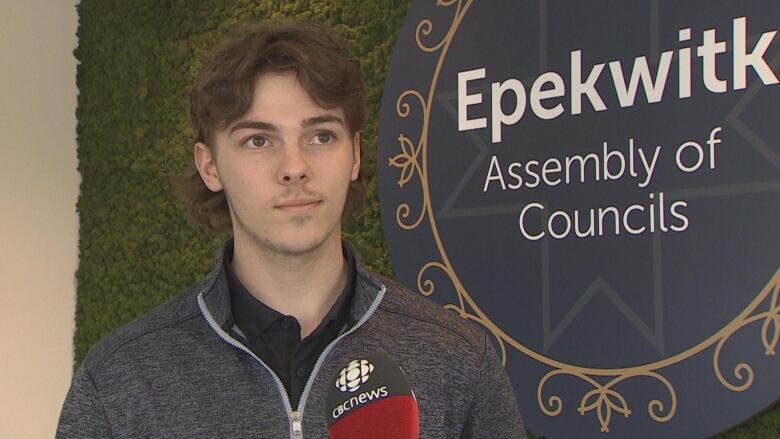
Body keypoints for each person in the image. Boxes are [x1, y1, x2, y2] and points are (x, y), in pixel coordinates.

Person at [57, 20, 525, 438]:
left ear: (355, 155)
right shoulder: (121, 381)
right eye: (258, 140)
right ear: (210, 166)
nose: (295, 167)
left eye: (321, 135)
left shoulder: (458, 361)